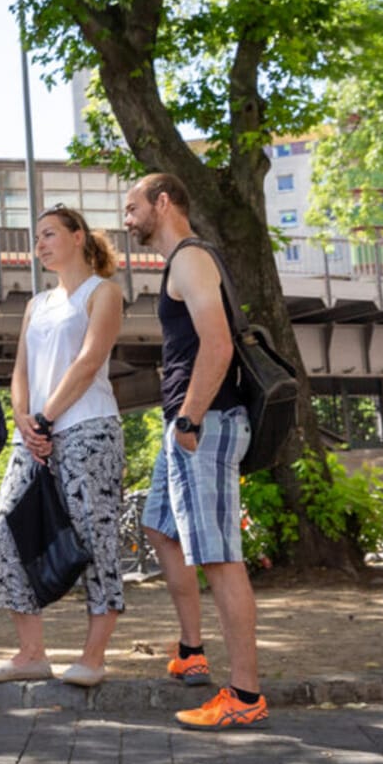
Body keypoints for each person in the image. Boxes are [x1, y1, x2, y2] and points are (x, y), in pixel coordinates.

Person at [122, 173, 266, 731]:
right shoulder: (180, 263)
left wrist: (190, 417)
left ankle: (246, 695)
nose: (128, 219)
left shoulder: (190, 257)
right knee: (161, 528)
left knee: (219, 557)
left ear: (163, 202)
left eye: (132, 207)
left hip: (203, 424)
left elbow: (220, 343)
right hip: (185, 428)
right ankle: (192, 650)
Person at [0, 206, 127, 685]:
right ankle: (31, 653)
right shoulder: (36, 303)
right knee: (4, 527)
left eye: (48, 234)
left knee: (94, 536)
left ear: (77, 236)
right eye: (36, 237)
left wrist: (46, 417)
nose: (39, 244)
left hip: (89, 429)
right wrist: (24, 419)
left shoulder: (102, 293)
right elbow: (20, 368)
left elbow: (88, 362)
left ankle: (93, 656)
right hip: (36, 436)